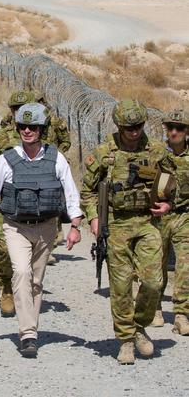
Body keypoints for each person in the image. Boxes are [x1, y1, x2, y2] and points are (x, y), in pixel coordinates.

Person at [0, 103, 82, 358]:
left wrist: (75, 226)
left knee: (36, 281)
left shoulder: (56, 158)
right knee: (22, 273)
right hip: (15, 227)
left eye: (32, 127)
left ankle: (30, 327)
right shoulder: (7, 159)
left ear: (41, 129)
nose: (27, 131)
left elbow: (70, 193)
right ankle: (28, 334)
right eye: (23, 126)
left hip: (46, 228)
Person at [80, 99, 175, 364]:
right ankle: (125, 340)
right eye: (128, 127)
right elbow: (86, 191)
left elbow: (172, 184)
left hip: (147, 223)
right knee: (120, 287)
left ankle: (139, 327)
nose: (134, 131)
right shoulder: (104, 153)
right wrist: (94, 219)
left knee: (154, 281)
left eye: (138, 126)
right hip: (117, 224)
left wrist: (167, 203)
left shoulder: (156, 151)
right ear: (119, 126)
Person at [0, 89, 34, 316]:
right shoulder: (0, 137)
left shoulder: (41, 135)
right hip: (5, 203)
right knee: (3, 248)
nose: (20, 114)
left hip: (34, 204)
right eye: (16, 110)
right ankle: (6, 288)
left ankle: (27, 290)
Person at [154, 110, 188, 335]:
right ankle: (154, 305)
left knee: (185, 264)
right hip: (158, 217)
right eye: (170, 128)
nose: (174, 132)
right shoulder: (157, 154)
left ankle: (181, 312)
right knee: (156, 263)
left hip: (184, 215)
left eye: (179, 128)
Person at [31, 90, 71, 265]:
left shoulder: (55, 122)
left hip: (52, 166)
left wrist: (56, 155)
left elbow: (66, 141)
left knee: (53, 203)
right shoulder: (27, 122)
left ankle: (50, 246)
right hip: (32, 166)